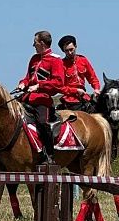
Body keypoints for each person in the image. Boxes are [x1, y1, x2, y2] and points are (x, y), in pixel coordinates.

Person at [16, 30, 64, 163]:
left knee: (43, 123)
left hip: (43, 100)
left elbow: (59, 83)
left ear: (42, 43)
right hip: (27, 98)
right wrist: (23, 83)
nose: (33, 45)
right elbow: (28, 78)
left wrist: (39, 86)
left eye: (35, 43)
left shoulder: (56, 60)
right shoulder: (34, 59)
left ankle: (49, 155)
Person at [57, 35, 101, 113]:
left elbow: (93, 78)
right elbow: (60, 87)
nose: (69, 52)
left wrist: (96, 89)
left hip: (84, 98)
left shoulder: (83, 60)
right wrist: (76, 90)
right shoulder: (61, 64)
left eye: (71, 49)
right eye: (66, 51)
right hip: (70, 100)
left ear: (76, 46)